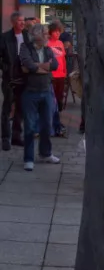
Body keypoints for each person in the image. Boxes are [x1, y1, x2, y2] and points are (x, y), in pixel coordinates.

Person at [19, 24, 61, 170]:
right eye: (44, 33)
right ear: (36, 36)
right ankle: (29, 158)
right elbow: (27, 65)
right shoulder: (25, 47)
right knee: (30, 127)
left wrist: (38, 67)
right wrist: (43, 67)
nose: (47, 36)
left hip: (46, 91)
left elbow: (54, 65)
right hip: (30, 92)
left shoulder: (48, 49)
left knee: (47, 125)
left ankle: (45, 153)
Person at [1, 12, 27, 150]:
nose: (22, 23)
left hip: (24, 77)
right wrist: (5, 67)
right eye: (19, 21)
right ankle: (5, 138)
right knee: (7, 108)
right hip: (9, 78)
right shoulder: (5, 37)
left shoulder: (27, 37)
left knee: (20, 108)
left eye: (23, 20)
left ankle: (17, 136)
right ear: (13, 22)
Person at [46, 20, 68, 137]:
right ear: (50, 32)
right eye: (55, 32)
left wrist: (65, 71)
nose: (57, 34)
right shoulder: (47, 44)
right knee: (51, 100)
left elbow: (63, 58)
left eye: (59, 32)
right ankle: (52, 123)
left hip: (61, 75)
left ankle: (57, 121)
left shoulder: (60, 43)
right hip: (52, 76)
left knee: (59, 99)